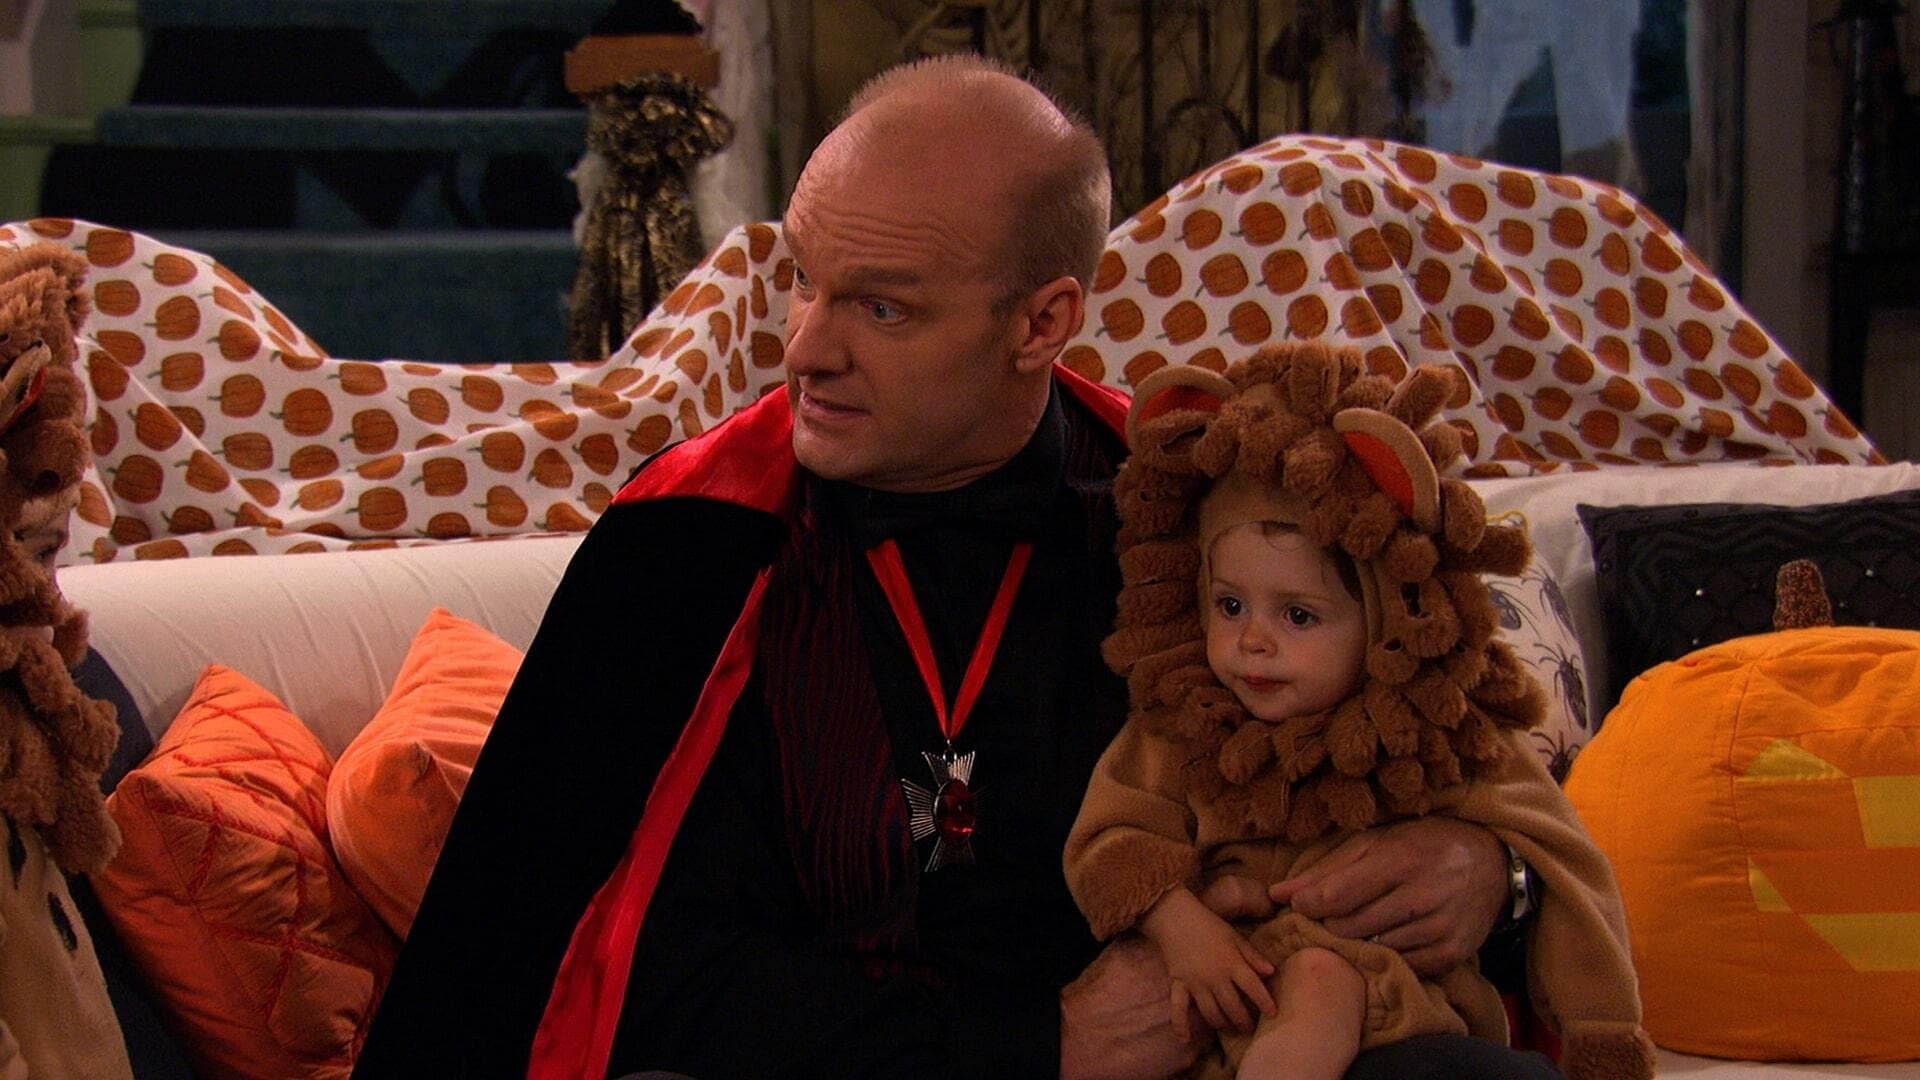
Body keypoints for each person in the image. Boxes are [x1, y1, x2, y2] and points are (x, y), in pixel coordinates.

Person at [357, 55, 1552, 1079]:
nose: (806, 349)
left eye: (882, 310)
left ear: (1041, 323)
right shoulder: (683, 546)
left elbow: (1429, 763)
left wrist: (1490, 876)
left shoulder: (1200, 512)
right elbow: (603, 972)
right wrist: (1035, 1046)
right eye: (803, 282)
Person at [1064, 352, 1657, 1080]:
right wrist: (1181, 928)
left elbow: (1570, 873)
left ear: (1382, 622)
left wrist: (1603, 1034)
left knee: (1322, 979)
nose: (1252, 641)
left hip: (1397, 1009)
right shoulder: (1184, 724)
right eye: (1230, 605)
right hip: (1222, 998)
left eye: (1299, 615)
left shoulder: (1441, 734)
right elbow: (1108, 839)